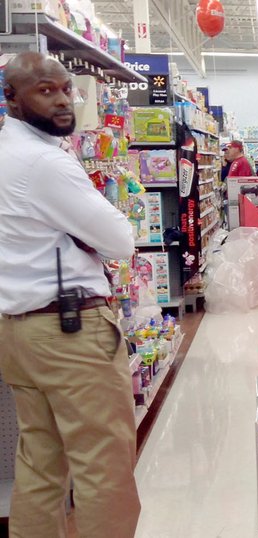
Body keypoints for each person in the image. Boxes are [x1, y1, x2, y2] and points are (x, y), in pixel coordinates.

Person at [0, 52, 141, 536]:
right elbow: (121, 239)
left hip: (18, 331)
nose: (63, 101)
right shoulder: (44, 163)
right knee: (104, 465)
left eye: (66, 89)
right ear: (11, 98)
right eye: (45, 90)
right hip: (69, 333)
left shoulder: (7, 152)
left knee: (41, 463)